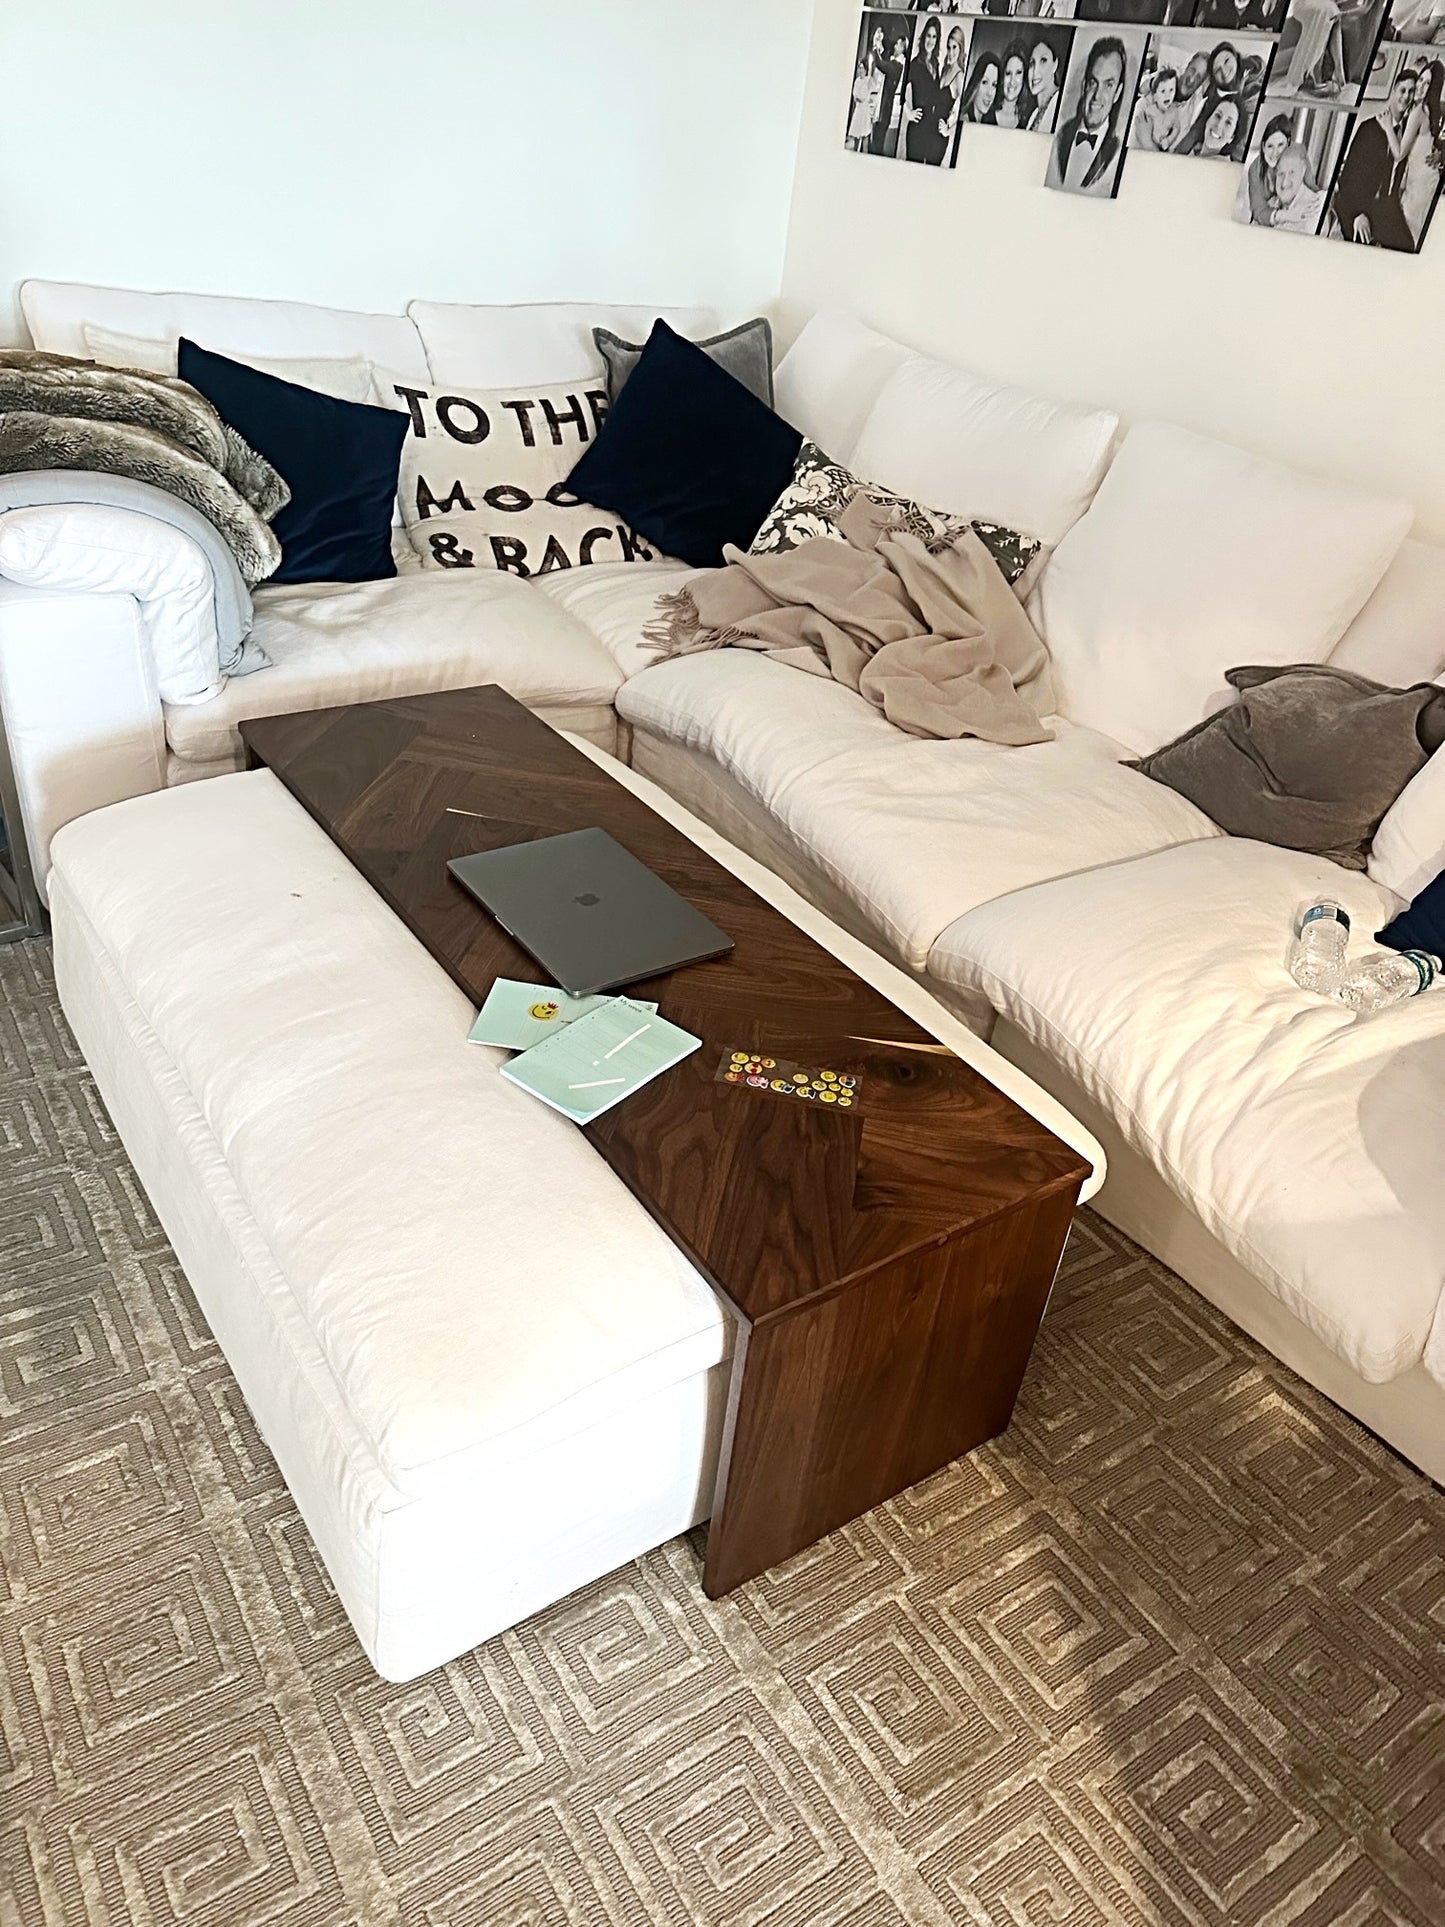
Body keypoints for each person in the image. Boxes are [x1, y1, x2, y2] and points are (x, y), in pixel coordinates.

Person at [1332, 69, 1425, 247]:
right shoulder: (1369, 129)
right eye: (1402, 90)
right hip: (1360, 205)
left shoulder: (1407, 134)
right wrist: (1357, 213)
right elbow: (1349, 176)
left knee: (1407, 247)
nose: (1406, 97)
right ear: (1393, 91)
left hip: (1388, 207)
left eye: (1411, 91)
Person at [1050, 35, 1129, 193]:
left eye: (1108, 85)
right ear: (1084, 86)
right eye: (1093, 82)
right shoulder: (1059, 136)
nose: (1097, 96)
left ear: (1118, 92)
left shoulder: (1118, 153)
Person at [903, 15, 953, 164]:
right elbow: (898, 90)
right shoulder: (914, 64)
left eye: (934, 37)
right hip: (917, 129)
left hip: (932, 129)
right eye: (928, 36)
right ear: (923, 37)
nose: (930, 40)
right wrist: (908, 113)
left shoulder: (936, 64)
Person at [1242, 113, 1293, 221]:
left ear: (1288, 143)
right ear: (1263, 146)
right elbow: (1257, 211)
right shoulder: (1255, 168)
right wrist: (1279, 215)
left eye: (1280, 145)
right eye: (1270, 146)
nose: (1275, 153)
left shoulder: (1295, 164)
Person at [870, 24, 909, 156]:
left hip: (884, 111)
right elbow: (884, 62)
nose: (894, 46)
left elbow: (881, 64)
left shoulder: (897, 66)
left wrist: (875, 46)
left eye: (897, 44)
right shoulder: (895, 63)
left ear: (903, 48)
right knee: (876, 142)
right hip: (883, 110)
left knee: (876, 145)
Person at [1270, 142, 1327, 230]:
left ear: (1303, 171)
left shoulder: (1314, 209)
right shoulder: (1270, 204)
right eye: (1281, 174)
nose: (1284, 183)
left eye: (1292, 172)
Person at [1133, 66, 1190, 149]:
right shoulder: (1149, 111)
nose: (1167, 95)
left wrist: (1168, 140)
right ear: (1155, 96)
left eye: (1171, 90)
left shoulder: (1174, 112)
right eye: (1163, 91)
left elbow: (1176, 128)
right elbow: (1140, 128)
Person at [846, 32, 884, 152]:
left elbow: (874, 86)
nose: (861, 70)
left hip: (865, 111)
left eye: (863, 68)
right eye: (859, 68)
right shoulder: (857, 80)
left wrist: (873, 70)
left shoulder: (869, 80)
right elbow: (855, 95)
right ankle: (855, 151)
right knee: (856, 135)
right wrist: (859, 98)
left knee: (865, 135)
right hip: (858, 110)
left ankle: (864, 154)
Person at [1023, 34, 1063, 129]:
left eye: (1043, 61)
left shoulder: (1061, 104)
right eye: (1032, 63)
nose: (1035, 71)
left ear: (1055, 64)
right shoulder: (1034, 114)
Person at [962, 49, 1003, 124]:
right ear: (975, 83)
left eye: (994, 85)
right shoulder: (965, 121)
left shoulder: (991, 118)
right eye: (984, 82)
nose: (990, 93)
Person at [996, 42, 1030, 127]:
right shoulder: (986, 112)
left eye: (1018, 73)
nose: (1012, 81)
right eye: (1008, 73)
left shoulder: (1028, 121)